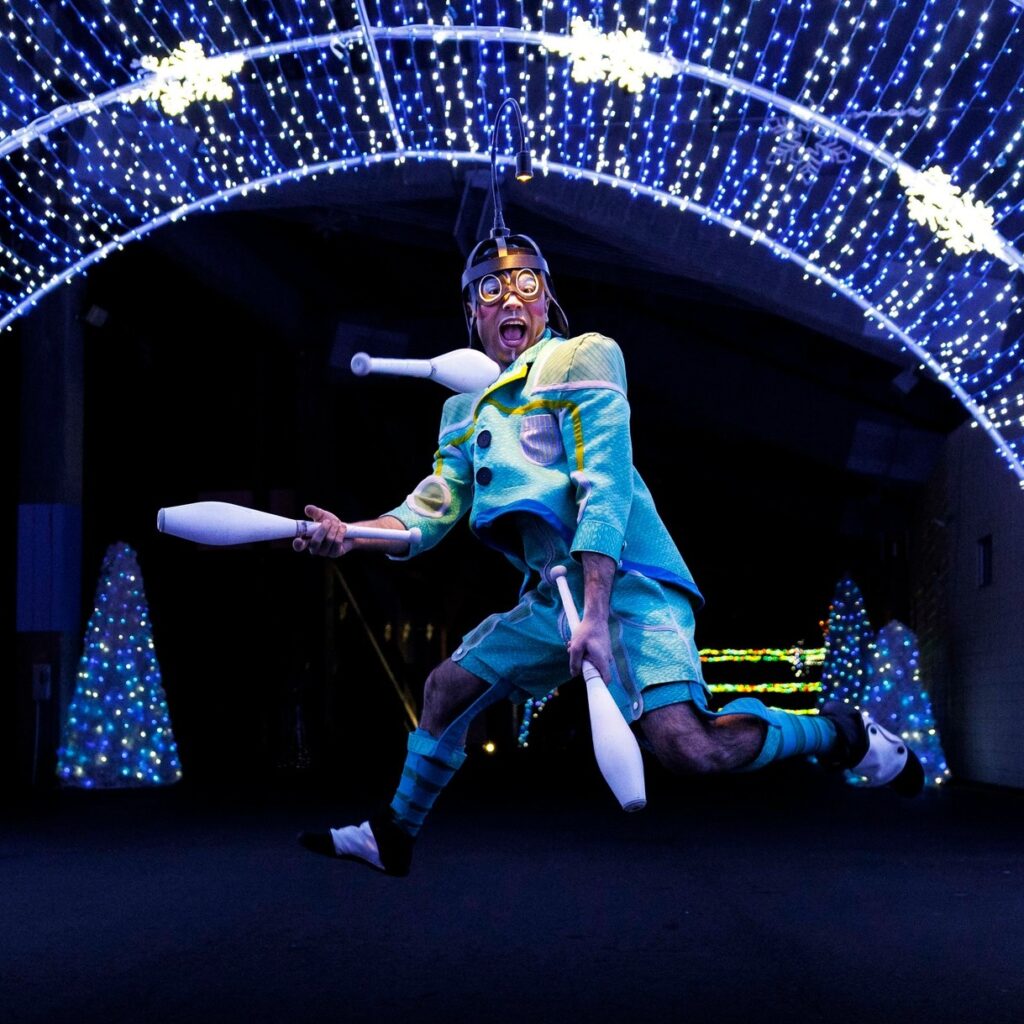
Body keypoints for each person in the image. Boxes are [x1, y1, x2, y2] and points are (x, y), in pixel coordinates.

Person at [296, 229, 923, 876]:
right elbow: (428, 511)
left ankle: (840, 732)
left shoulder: (584, 359)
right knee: (445, 688)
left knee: (689, 750)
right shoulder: (463, 409)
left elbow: (606, 486)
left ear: (547, 303)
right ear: (472, 313)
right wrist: (352, 532)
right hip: (555, 594)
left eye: (526, 286)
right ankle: (394, 833)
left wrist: (596, 613)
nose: (510, 298)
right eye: (491, 290)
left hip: (628, 581)